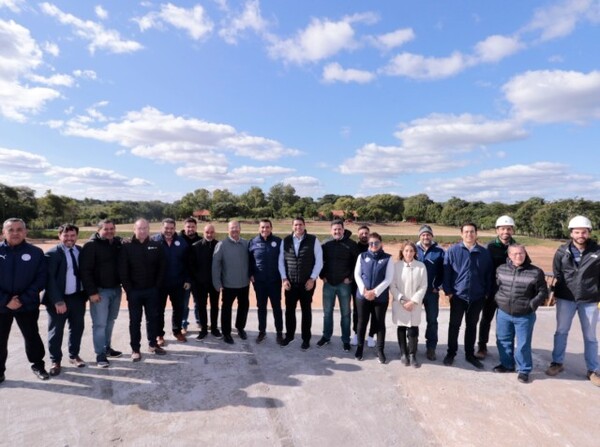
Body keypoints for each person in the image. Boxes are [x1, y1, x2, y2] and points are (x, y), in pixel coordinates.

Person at [546, 215, 600, 386]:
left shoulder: (597, 252)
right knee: (561, 331)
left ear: (589, 233)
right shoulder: (562, 251)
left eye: (584, 232)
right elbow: (557, 273)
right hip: (566, 298)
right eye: (577, 232)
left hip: (589, 299)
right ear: (571, 233)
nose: (580, 235)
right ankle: (557, 363)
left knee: (590, 336)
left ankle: (593, 370)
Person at [0, 218, 49, 382]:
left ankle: (38, 365)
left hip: (27, 305)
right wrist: (6, 300)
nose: (15, 233)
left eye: (19, 229)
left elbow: (41, 279)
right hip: (1, 306)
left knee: (32, 336)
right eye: (11, 230)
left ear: (25, 232)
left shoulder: (36, 252)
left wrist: (21, 299)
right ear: (3, 232)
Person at [494, 244, 547, 383]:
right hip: (503, 312)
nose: (519, 256)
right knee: (503, 340)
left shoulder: (536, 272)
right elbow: (497, 286)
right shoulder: (501, 269)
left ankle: (524, 370)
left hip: (524, 315)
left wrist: (532, 305)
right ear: (509, 256)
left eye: (522, 253)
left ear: (525, 254)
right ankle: (507, 365)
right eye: (515, 254)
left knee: (523, 344)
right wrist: (498, 300)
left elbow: (543, 292)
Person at [443, 222, 493, 369]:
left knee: (471, 326)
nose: (469, 234)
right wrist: (449, 292)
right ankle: (451, 353)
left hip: (477, 297)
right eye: (466, 232)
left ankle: (469, 354)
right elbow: (447, 273)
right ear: (461, 234)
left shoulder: (484, 253)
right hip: (458, 295)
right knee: (454, 326)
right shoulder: (452, 251)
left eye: (472, 232)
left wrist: (486, 293)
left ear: (476, 234)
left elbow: (489, 275)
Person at [119, 218, 167, 361]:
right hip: (134, 292)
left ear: (149, 229)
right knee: (135, 321)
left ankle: (153, 344)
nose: (143, 231)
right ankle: (135, 349)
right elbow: (123, 270)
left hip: (152, 291)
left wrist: (157, 286)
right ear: (134, 229)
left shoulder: (156, 245)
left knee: (152, 319)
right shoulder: (126, 246)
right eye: (140, 228)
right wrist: (129, 289)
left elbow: (162, 267)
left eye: (145, 228)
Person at [43, 224, 87, 376]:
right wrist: (58, 301)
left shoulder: (80, 251)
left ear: (76, 236)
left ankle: (74, 355)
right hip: (59, 300)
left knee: (77, 328)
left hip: (77, 297)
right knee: (56, 332)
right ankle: (55, 361)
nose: (69, 238)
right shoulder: (52, 254)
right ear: (59, 236)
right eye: (66, 235)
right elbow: (49, 280)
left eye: (72, 235)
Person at [80, 218, 123, 368]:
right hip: (99, 292)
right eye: (106, 229)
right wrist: (91, 292)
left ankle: (107, 348)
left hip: (116, 290)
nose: (109, 231)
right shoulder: (91, 246)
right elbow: (85, 271)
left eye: (112, 229)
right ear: (99, 230)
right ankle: (100, 354)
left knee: (110, 321)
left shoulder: (116, 243)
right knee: (99, 324)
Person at [476, 215, 518, 360]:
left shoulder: (517, 247)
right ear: (497, 230)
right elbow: (484, 270)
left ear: (512, 230)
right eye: (502, 229)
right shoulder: (489, 247)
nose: (505, 231)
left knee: (507, 321)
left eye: (508, 229)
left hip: (510, 292)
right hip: (492, 290)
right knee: (486, 319)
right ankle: (482, 346)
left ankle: (506, 350)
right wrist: (485, 290)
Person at [278, 216, 323, 350]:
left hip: (307, 283)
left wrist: (312, 278)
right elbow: (280, 261)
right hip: (290, 283)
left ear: (304, 225)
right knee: (289, 311)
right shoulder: (285, 241)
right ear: (292, 226)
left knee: (306, 312)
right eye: (296, 225)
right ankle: (290, 336)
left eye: (300, 225)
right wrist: (284, 278)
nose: (298, 227)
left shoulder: (313, 240)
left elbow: (319, 261)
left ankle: (306, 339)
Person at [318, 219, 358, 352]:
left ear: (343, 229)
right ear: (331, 230)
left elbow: (357, 263)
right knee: (327, 312)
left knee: (346, 314)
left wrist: (350, 278)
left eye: (339, 229)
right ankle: (326, 336)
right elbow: (319, 261)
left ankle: (345, 340)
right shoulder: (325, 244)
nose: (337, 231)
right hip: (328, 284)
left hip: (344, 284)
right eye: (334, 229)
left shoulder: (351, 244)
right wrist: (322, 276)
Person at [353, 232, 394, 364]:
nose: (373, 245)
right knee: (361, 322)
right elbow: (357, 275)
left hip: (380, 298)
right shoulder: (362, 256)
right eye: (371, 243)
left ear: (381, 243)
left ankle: (380, 350)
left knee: (379, 323)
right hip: (362, 296)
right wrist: (364, 291)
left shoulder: (388, 258)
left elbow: (388, 279)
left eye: (376, 243)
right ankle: (360, 348)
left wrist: (374, 292)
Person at [152, 218, 190, 344]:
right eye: (166, 228)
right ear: (162, 228)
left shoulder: (182, 242)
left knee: (178, 308)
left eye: (171, 228)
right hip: (159, 284)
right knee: (158, 310)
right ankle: (159, 335)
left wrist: (187, 279)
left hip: (178, 283)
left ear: (175, 229)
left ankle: (177, 331)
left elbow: (187, 263)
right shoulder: (154, 241)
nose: (169, 231)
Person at [212, 220, 250, 345]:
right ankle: (226, 333)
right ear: (228, 229)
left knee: (243, 307)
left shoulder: (245, 243)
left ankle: (240, 328)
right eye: (232, 228)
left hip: (244, 284)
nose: (234, 230)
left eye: (236, 228)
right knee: (226, 310)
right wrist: (217, 283)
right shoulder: (222, 245)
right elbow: (216, 266)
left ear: (240, 229)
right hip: (228, 285)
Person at [391, 240, 427, 367]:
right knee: (401, 327)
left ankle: (412, 354)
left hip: (414, 304)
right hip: (400, 303)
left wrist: (413, 301)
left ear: (415, 252)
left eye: (411, 251)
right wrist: (402, 300)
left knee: (413, 329)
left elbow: (423, 286)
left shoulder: (421, 266)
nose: (409, 253)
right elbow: (393, 285)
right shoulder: (396, 266)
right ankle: (403, 353)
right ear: (402, 252)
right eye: (406, 250)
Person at [248, 219, 283, 344]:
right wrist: (250, 274)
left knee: (276, 307)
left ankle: (279, 332)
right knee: (261, 307)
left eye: (267, 227)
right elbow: (249, 261)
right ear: (259, 228)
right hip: (259, 282)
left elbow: (284, 260)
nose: (265, 230)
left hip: (274, 281)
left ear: (271, 228)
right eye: (262, 227)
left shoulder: (278, 242)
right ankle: (262, 331)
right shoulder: (252, 242)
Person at [415, 224, 444, 361]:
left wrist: (437, 286)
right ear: (419, 236)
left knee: (432, 321)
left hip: (431, 293)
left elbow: (444, 271)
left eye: (428, 234)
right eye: (423, 235)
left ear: (432, 236)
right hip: (415, 292)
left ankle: (431, 348)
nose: (426, 237)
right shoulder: (413, 250)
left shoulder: (439, 251)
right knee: (413, 320)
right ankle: (412, 346)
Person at [190, 223, 222, 340]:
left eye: (211, 232)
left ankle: (214, 328)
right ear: (203, 233)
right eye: (207, 232)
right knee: (201, 307)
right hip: (200, 284)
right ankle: (203, 330)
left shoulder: (219, 245)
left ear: (215, 233)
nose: (209, 234)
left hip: (214, 283)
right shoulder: (195, 246)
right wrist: (197, 280)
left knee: (215, 306)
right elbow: (192, 266)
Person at [351, 225, 377, 348]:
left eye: (366, 233)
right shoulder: (354, 247)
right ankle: (356, 333)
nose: (364, 235)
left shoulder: (374, 246)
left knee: (373, 311)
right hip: (357, 285)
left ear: (369, 234)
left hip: (373, 286)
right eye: (361, 233)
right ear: (358, 235)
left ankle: (371, 335)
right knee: (357, 311)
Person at [179, 217, 201, 333]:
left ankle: (200, 321)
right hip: (183, 279)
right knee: (184, 303)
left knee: (199, 302)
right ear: (184, 227)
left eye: (193, 226)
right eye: (188, 226)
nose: (190, 229)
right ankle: (183, 324)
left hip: (197, 279)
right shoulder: (178, 240)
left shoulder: (201, 240)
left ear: (196, 227)